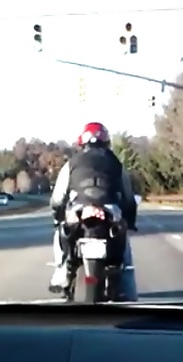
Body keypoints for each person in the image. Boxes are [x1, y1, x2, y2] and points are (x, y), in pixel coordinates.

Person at [48, 122, 138, 300]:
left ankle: (63, 270)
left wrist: (57, 216)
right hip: (110, 211)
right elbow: (129, 198)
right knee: (124, 255)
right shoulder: (116, 163)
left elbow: (57, 199)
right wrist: (130, 221)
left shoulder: (71, 164)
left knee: (60, 233)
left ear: (82, 142)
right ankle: (128, 292)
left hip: (78, 209)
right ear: (106, 141)